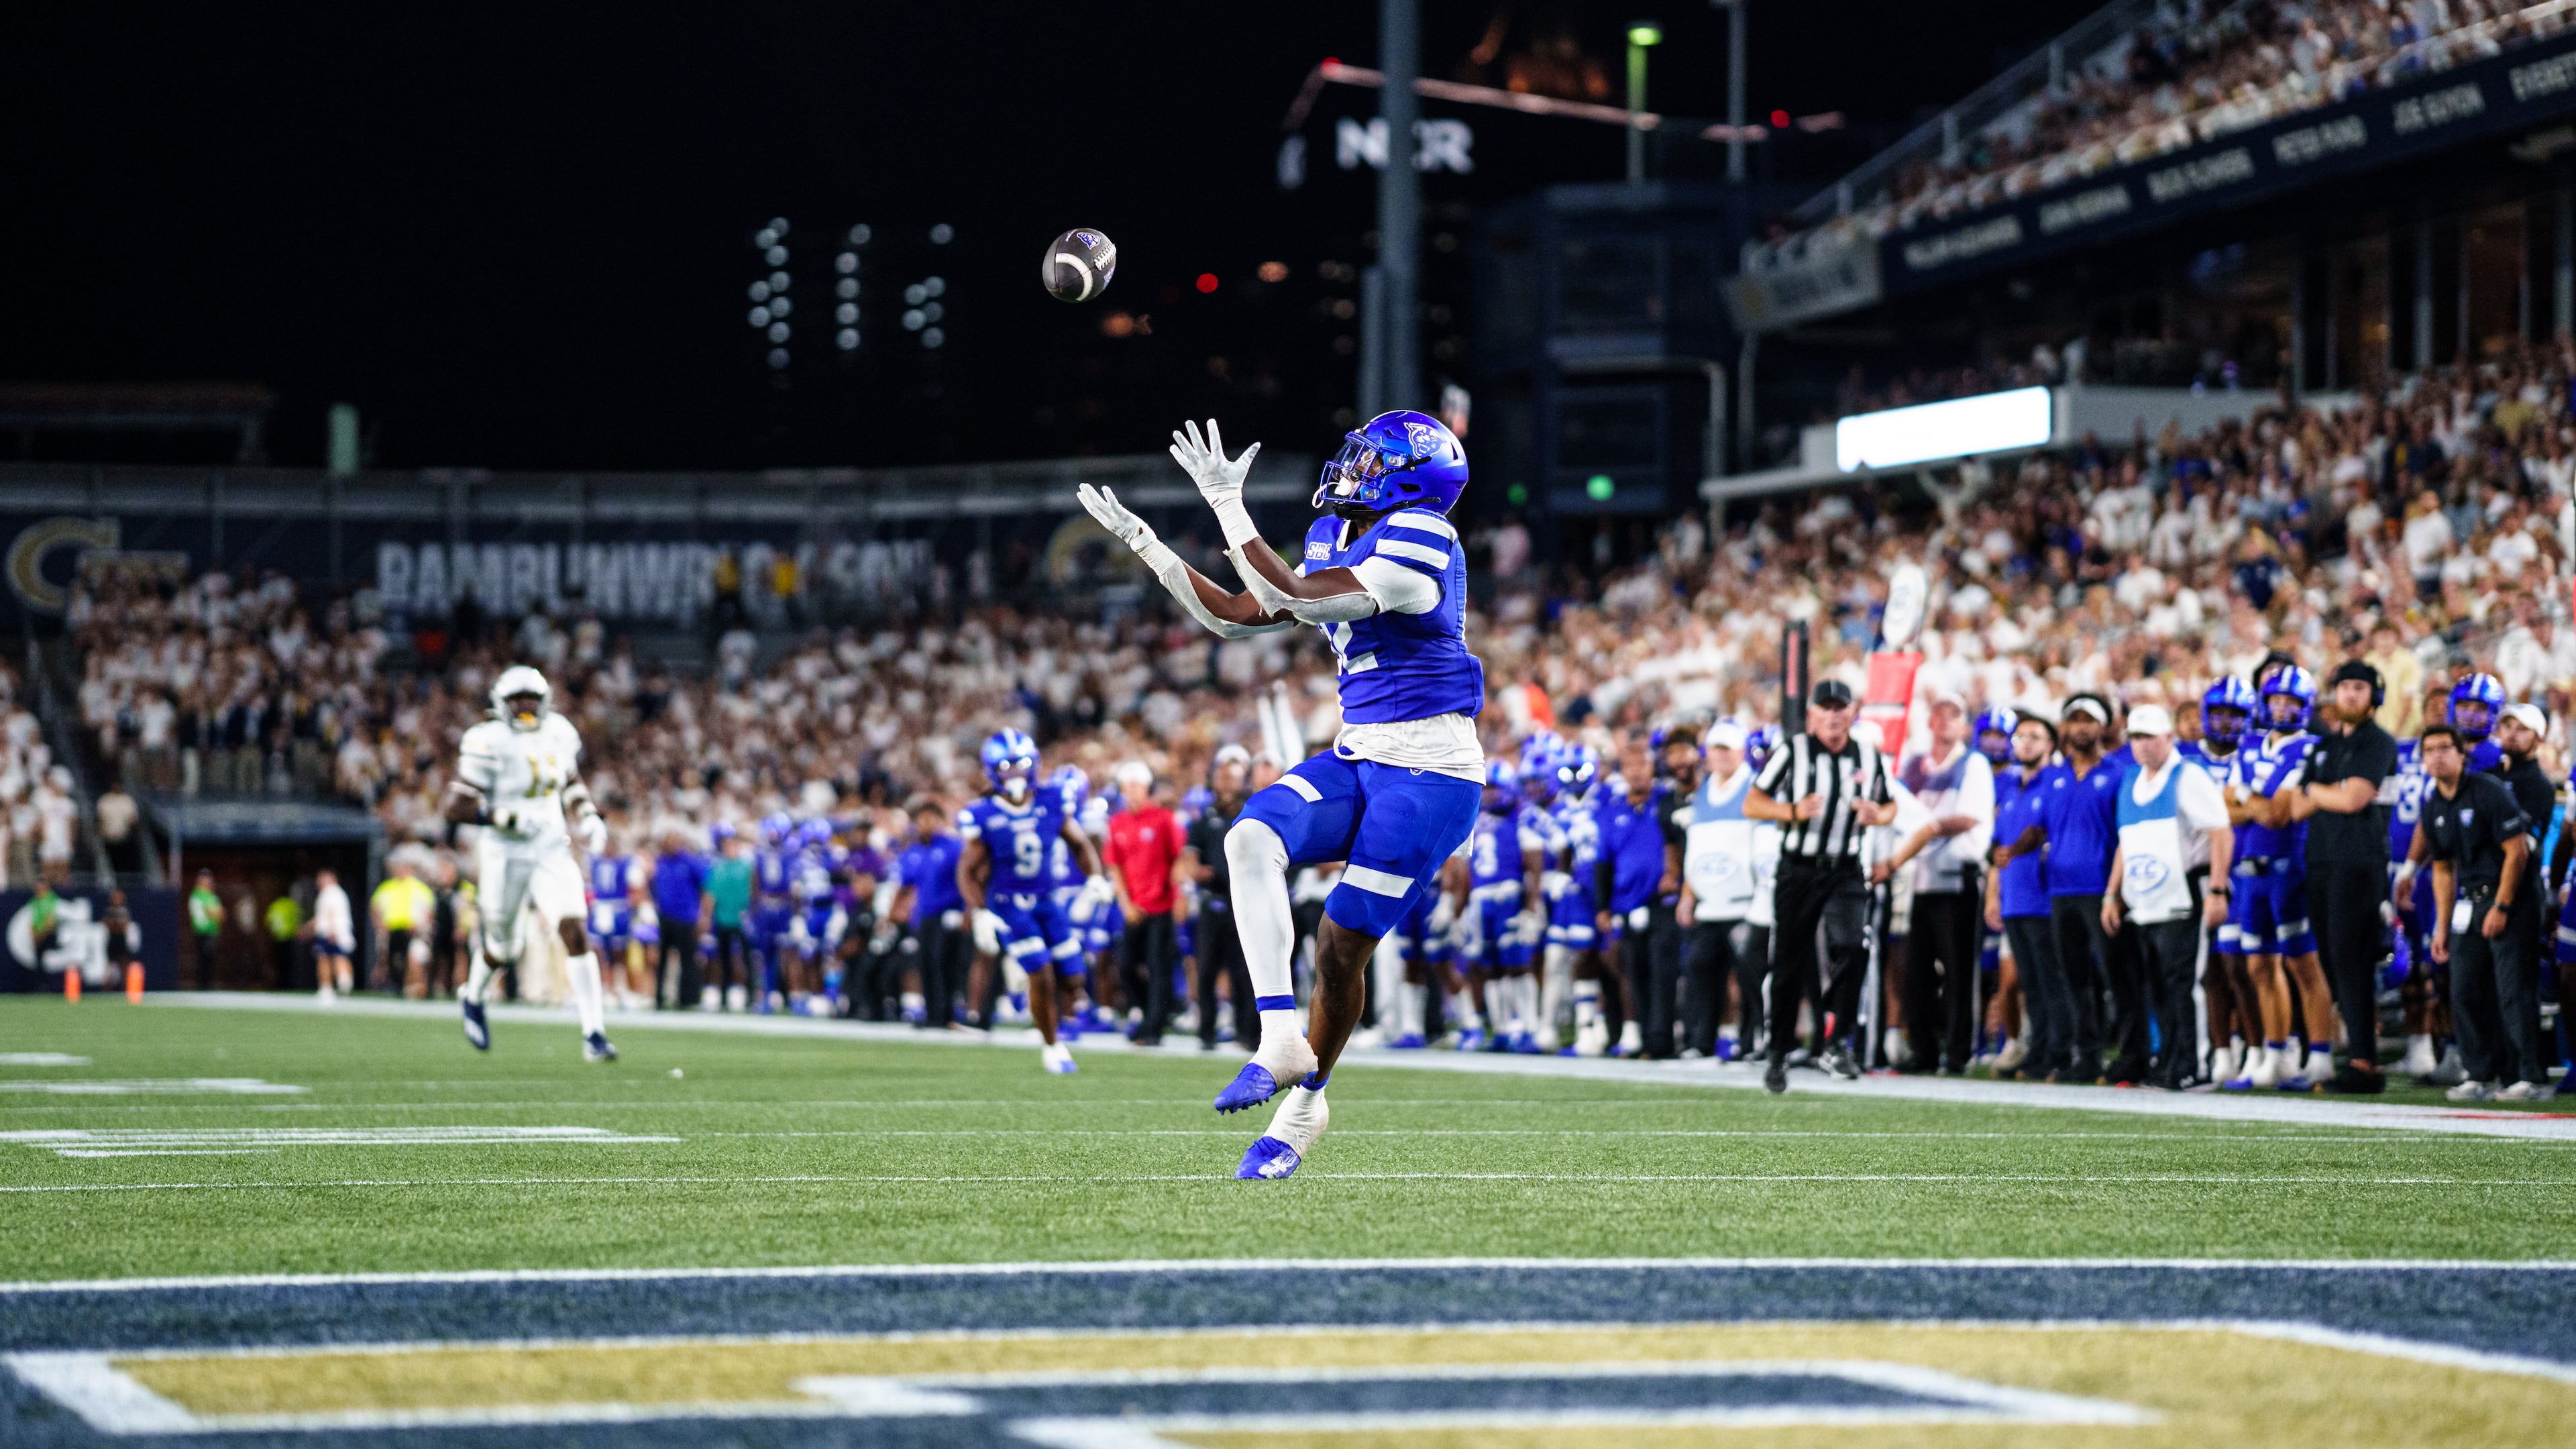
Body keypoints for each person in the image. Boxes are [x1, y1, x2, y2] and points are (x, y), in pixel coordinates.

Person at [1078, 410, 1484, 1179]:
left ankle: (1309, 1101)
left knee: (1339, 950)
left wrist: (1229, 505)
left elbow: (1296, 596)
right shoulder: (1344, 535)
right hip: (1361, 753)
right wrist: (1149, 546)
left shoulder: (1425, 538)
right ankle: (1276, 1034)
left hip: (1432, 771)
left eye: (1372, 460)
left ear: (1409, 479)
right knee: (1247, 838)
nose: (1352, 468)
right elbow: (1239, 616)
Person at [444, 665, 618, 1061]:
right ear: (500, 703)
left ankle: (594, 1033)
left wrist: (589, 815)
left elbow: (570, 781)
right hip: (505, 853)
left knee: (574, 927)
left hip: (551, 848)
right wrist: (507, 818)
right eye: (517, 699)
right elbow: (454, 806)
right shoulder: (488, 739)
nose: (525, 706)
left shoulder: (559, 732)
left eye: (532, 699)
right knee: (505, 947)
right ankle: (472, 996)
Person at [1746, 678, 1900, 1091]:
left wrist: (1878, 815)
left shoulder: (1868, 754)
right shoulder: (1794, 752)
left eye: (1840, 708)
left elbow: (1890, 803)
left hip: (1846, 867)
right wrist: (1791, 810)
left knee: (1854, 945)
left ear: (1853, 713)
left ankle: (1836, 1041)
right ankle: (1778, 1050)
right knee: (1790, 961)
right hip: (1799, 867)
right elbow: (1753, 802)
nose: (1833, 716)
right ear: (1812, 714)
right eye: (1825, 708)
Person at [955, 727, 1111, 1075]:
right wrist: (979, 911)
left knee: (1073, 978)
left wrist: (1096, 877)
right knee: (1040, 971)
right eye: (1007, 766)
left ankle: (1045, 1009)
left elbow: (1079, 844)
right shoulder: (982, 813)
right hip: (1009, 904)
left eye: (1022, 764)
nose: (1015, 773)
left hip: (1047, 901)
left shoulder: (1051, 799)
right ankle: (1052, 1046)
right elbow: (966, 870)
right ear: (992, 770)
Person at [2100, 705, 2234, 1089]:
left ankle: (2193, 1065)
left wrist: (2217, 890)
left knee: (2182, 983)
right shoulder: (2132, 781)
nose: (2141, 746)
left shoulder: (2187, 776)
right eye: (2135, 738)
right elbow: (2127, 844)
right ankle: (2170, 1061)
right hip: (2147, 900)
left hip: (2184, 893)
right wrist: (2113, 894)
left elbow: (2220, 833)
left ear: (2168, 738)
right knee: (2158, 983)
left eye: (2148, 737)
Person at [2416, 724, 2551, 1100]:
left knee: (2513, 989)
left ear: (2463, 755)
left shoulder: (2488, 792)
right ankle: (2481, 1073)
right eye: (2429, 750)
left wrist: (2503, 905)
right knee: (2464, 990)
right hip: (2469, 902)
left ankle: (2530, 1076)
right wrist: (2441, 928)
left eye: (2446, 748)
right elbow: (2443, 869)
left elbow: (2517, 852)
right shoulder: (2434, 806)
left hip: (2513, 898)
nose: (2437, 756)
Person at [1997, 693, 2121, 1083]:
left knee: (2117, 977)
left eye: (2089, 720)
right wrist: (2012, 851)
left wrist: (2119, 889)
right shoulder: (2056, 777)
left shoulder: (2118, 772)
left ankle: (2126, 1054)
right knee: (2074, 979)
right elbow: (2040, 830)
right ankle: (2083, 1058)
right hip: (2060, 889)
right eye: (2075, 720)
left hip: (2102, 888)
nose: (2082, 727)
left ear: (2103, 726)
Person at [2223, 666, 2337, 1089]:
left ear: (2306, 706)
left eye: (2292, 701)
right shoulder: (2250, 742)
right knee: (2258, 965)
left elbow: (2278, 815)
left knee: (2303, 964)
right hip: (2250, 869)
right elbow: (2227, 810)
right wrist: (2252, 801)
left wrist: (2243, 796)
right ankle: (2277, 1053)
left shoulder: (2311, 748)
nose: (2283, 708)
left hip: (2291, 865)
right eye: (2276, 700)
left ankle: (2321, 1056)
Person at [2295, 661, 2402, 1093]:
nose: (2351, 695)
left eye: (2359, 688)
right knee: (2333, 961)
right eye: (2343, 688)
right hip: (2321, 859)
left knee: (2351, 958)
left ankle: (2364, 1062)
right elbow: (2297, 808)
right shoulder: (2323, 746)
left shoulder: (2379, 743)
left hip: (2359, 862)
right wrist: (2328, 794)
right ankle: (2358, 1051)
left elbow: (2354, 800)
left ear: (2374, 695)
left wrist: (2320, 793)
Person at [1878, 693, 1996, 1075]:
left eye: (1954, 715)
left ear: (1964, 725)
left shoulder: (1973, 764)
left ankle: (1959, 1052)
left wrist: (1923, 831)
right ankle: (1924, 1049)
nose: (1945, 721)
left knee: (1959, 972)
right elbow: (1896, 809)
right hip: (1918, 881)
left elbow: (1970, 818)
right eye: (1939, 714)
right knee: (1914, 973)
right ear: (1929, 721)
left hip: (1955, 878)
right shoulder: (1914, 765)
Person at [2181, 678, 2259, 1084]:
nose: (2226, 722)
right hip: (2196, 869)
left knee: (2241, 966)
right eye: (2219, 713)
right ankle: (2221, 1051)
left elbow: (2256, 811)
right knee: (2209, 968)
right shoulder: (2185, 759)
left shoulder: (2256, 755)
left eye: (2235, 714)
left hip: (2245, 869)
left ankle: (2255, 1046)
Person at [1986, 712, 2063, 1078]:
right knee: (2030, 982)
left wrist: (2013, 850)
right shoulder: (2009, 787)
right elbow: (1996, 844)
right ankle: (2038, 1049)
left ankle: (2056, 1050)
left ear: (2050, 745)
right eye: (2021, 736)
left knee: (2050, 981)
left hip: (2044, 895)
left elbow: (2039, 832)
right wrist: (1993, 890)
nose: (2027, 743)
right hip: (2014, 897)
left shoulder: (2056, 782)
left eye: (2036, 736)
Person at [1595, 731, 1680, 1059]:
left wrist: (1675, 874)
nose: (1636, 772)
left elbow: (1680, 841)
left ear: (1652, 768)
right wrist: (1602, 907)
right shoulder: (1611, 811)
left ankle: (1661, 1039)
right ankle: (1643, 1036)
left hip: (1662, 901)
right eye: (1629, 767)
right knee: (1633, 971)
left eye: (1641, 765)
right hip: (1627, 903)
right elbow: (1603, 863)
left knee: (1662, 971)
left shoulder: (1666, 802)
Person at [1677, 719, 1758, 1060]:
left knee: (1750, 977)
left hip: (1745, 902)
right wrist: (1688, 895)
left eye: (1727, 749)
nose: (1721, 757)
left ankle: (1752, 1041)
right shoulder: (1704, 794)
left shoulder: (1754, 788)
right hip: (1710, 902)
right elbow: (1696, 850)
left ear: (1741, 752)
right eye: (1716, 750)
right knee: (1701, 970)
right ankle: (1701, 1040)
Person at [1463, 759, 1550, 1053]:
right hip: (1482, 899)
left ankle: (1528, 1029)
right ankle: (1501, 1029)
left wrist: (1530, 907)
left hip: (1509, 898)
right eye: (1487, 789)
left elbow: (1534, 867)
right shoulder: (1477, 818)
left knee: (1518, 965)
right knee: (1489, 967)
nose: (1489, 795)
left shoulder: (1524, 816)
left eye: (1496, 789)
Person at [1182, 745, 1257, 1053]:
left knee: (1245, 971)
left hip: (1246, 902)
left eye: (1234, 779)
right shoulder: (1204, 820)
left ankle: (1247, 1032)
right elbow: (1190, 863)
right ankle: (1207, 1032)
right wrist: (1199, 872)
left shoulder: (1253, 813)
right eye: (1223, 778)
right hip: (1214, 901)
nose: (1227, 785)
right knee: (1208, 968)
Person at [1104, 763, 1184, 1046]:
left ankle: (1153, 1026)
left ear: (1147, 788)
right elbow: (1114, 866)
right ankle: (1157, 1012)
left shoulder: (1164, 819)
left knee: (1158, 965)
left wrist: (1178, 896)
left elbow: (1179, 859)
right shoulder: (1118, 823)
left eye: (1138, 786)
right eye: (1129, 786)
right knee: (1125, 966)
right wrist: (1125, 903)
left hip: (1161, 905)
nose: (1133, 792)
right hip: (1133, 907)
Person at [888, 798, 967, 1029]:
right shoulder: (913, 852)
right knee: (926, 964)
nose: (925, 824)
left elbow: (967, 878)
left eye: (930, 819)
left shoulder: (953, 847)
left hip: (949, 915)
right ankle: (933, 1013)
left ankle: (947, 1013)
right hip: (923, 916)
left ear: (941, 821)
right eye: (921, 819)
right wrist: (892, 913)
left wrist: (967, 910)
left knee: (946, 964)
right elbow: (905, 886)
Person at [649, 829, 709, 1010]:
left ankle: (688, 998)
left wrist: (703, 914)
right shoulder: (660, 862)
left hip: (686, 917)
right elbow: (653, 884)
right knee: (662, 959)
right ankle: (659, 997)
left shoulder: (689, 862)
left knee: (688, 959)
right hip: (665, 917)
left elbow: (706, 886)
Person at [702, 822, 754, 1011]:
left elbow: (754, 891)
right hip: (723, 917)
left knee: (747, 958)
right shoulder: (719, 868)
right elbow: (710, 895)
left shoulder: (746, 867)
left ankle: (751, 995)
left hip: (742, 917)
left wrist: (753, 912)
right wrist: (706, 917)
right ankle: (724, 996)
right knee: (723, 959)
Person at [309, 867, 354, 1000]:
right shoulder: (338, 893)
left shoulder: (330, 893)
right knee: (339, 957)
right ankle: (343, 983)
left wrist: (333, 931)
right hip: (339, 932)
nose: (320, 881)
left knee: (326, 959)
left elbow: (332, 913)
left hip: (332, 932)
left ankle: (327, 987)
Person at [185, 869, 222, 989]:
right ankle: (203, 987)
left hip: (211, 930)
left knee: (209, 960)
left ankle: (206, 986)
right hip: (203, 930)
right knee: (204, 959)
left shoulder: (209, 895)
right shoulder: (199, 895)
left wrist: (217, 913)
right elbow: (214, 913)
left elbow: (221, 914)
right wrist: (216, 913)